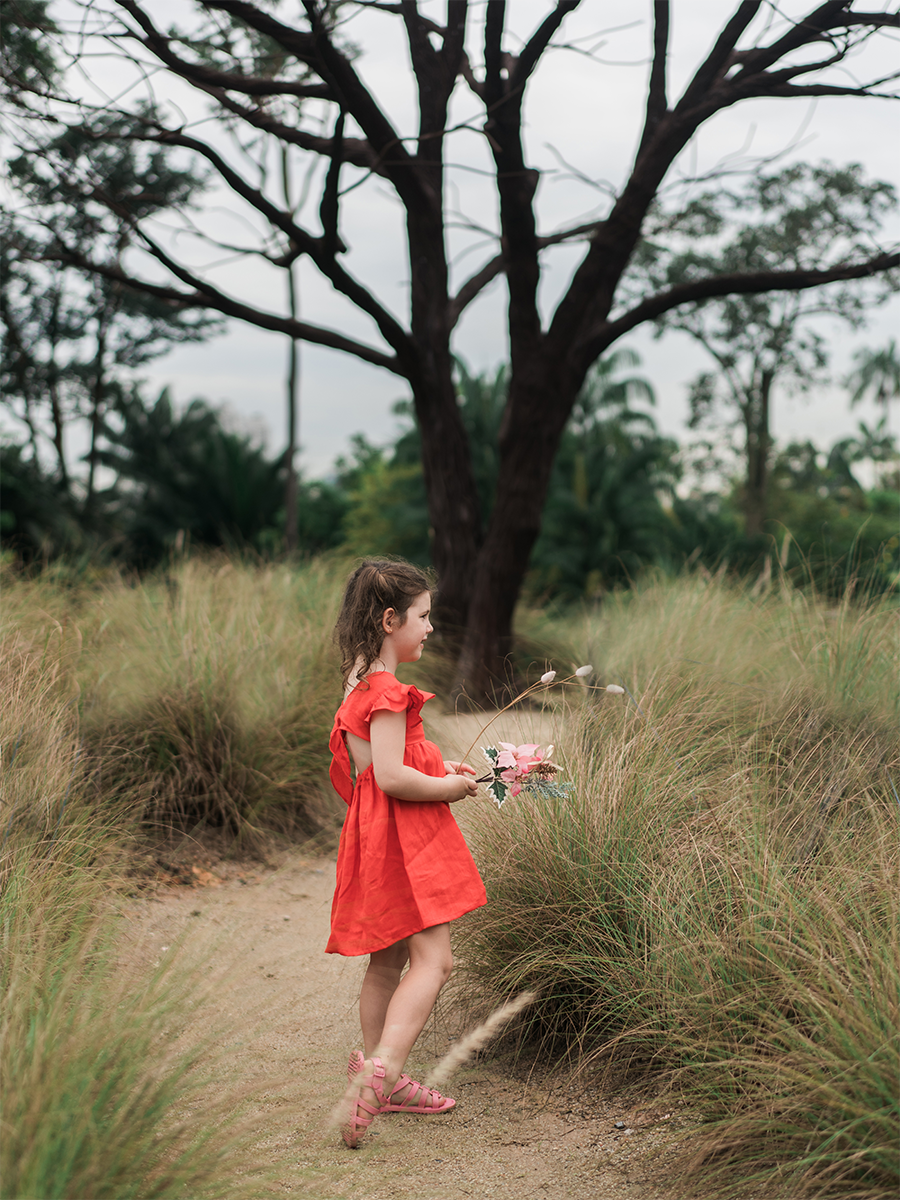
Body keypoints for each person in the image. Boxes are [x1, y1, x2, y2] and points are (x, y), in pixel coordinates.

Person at [327, 559, 486, 1148]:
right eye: (422, 616)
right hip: (405, 838)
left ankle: (378, 1072)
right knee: (435, 962)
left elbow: (372, 766)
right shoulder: (389, 692)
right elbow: (392, 777)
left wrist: (442, 765)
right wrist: (453, 788)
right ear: (389, 619)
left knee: (387, 963)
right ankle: (380, 1075)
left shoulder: (358, 678)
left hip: (373, 836)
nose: (431, 627)